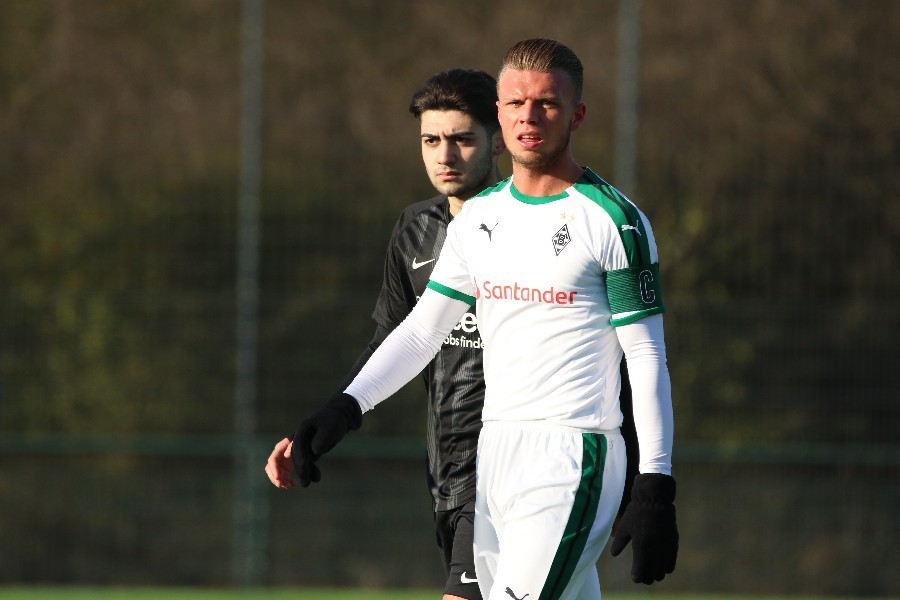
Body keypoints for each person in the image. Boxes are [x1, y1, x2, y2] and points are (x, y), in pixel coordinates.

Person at [286, 38, 677, 599]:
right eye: (516, 103)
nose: (529, 116)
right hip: (494, 455)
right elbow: (422, 330)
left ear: (577, 115)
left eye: (547, 103)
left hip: (575, 456)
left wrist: (655, 484)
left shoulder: (614, 222)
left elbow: (646, 357)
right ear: (499, 113)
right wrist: (343, 410)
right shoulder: (481, 219)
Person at [266, 68, 504, 600]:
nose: (445, 155)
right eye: (431, 140)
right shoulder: (415, 228)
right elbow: (395, 341)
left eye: (463, 139)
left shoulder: (528, 228)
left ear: (500, 140)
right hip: (445, 466)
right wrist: (331, 416)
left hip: (510, 468)